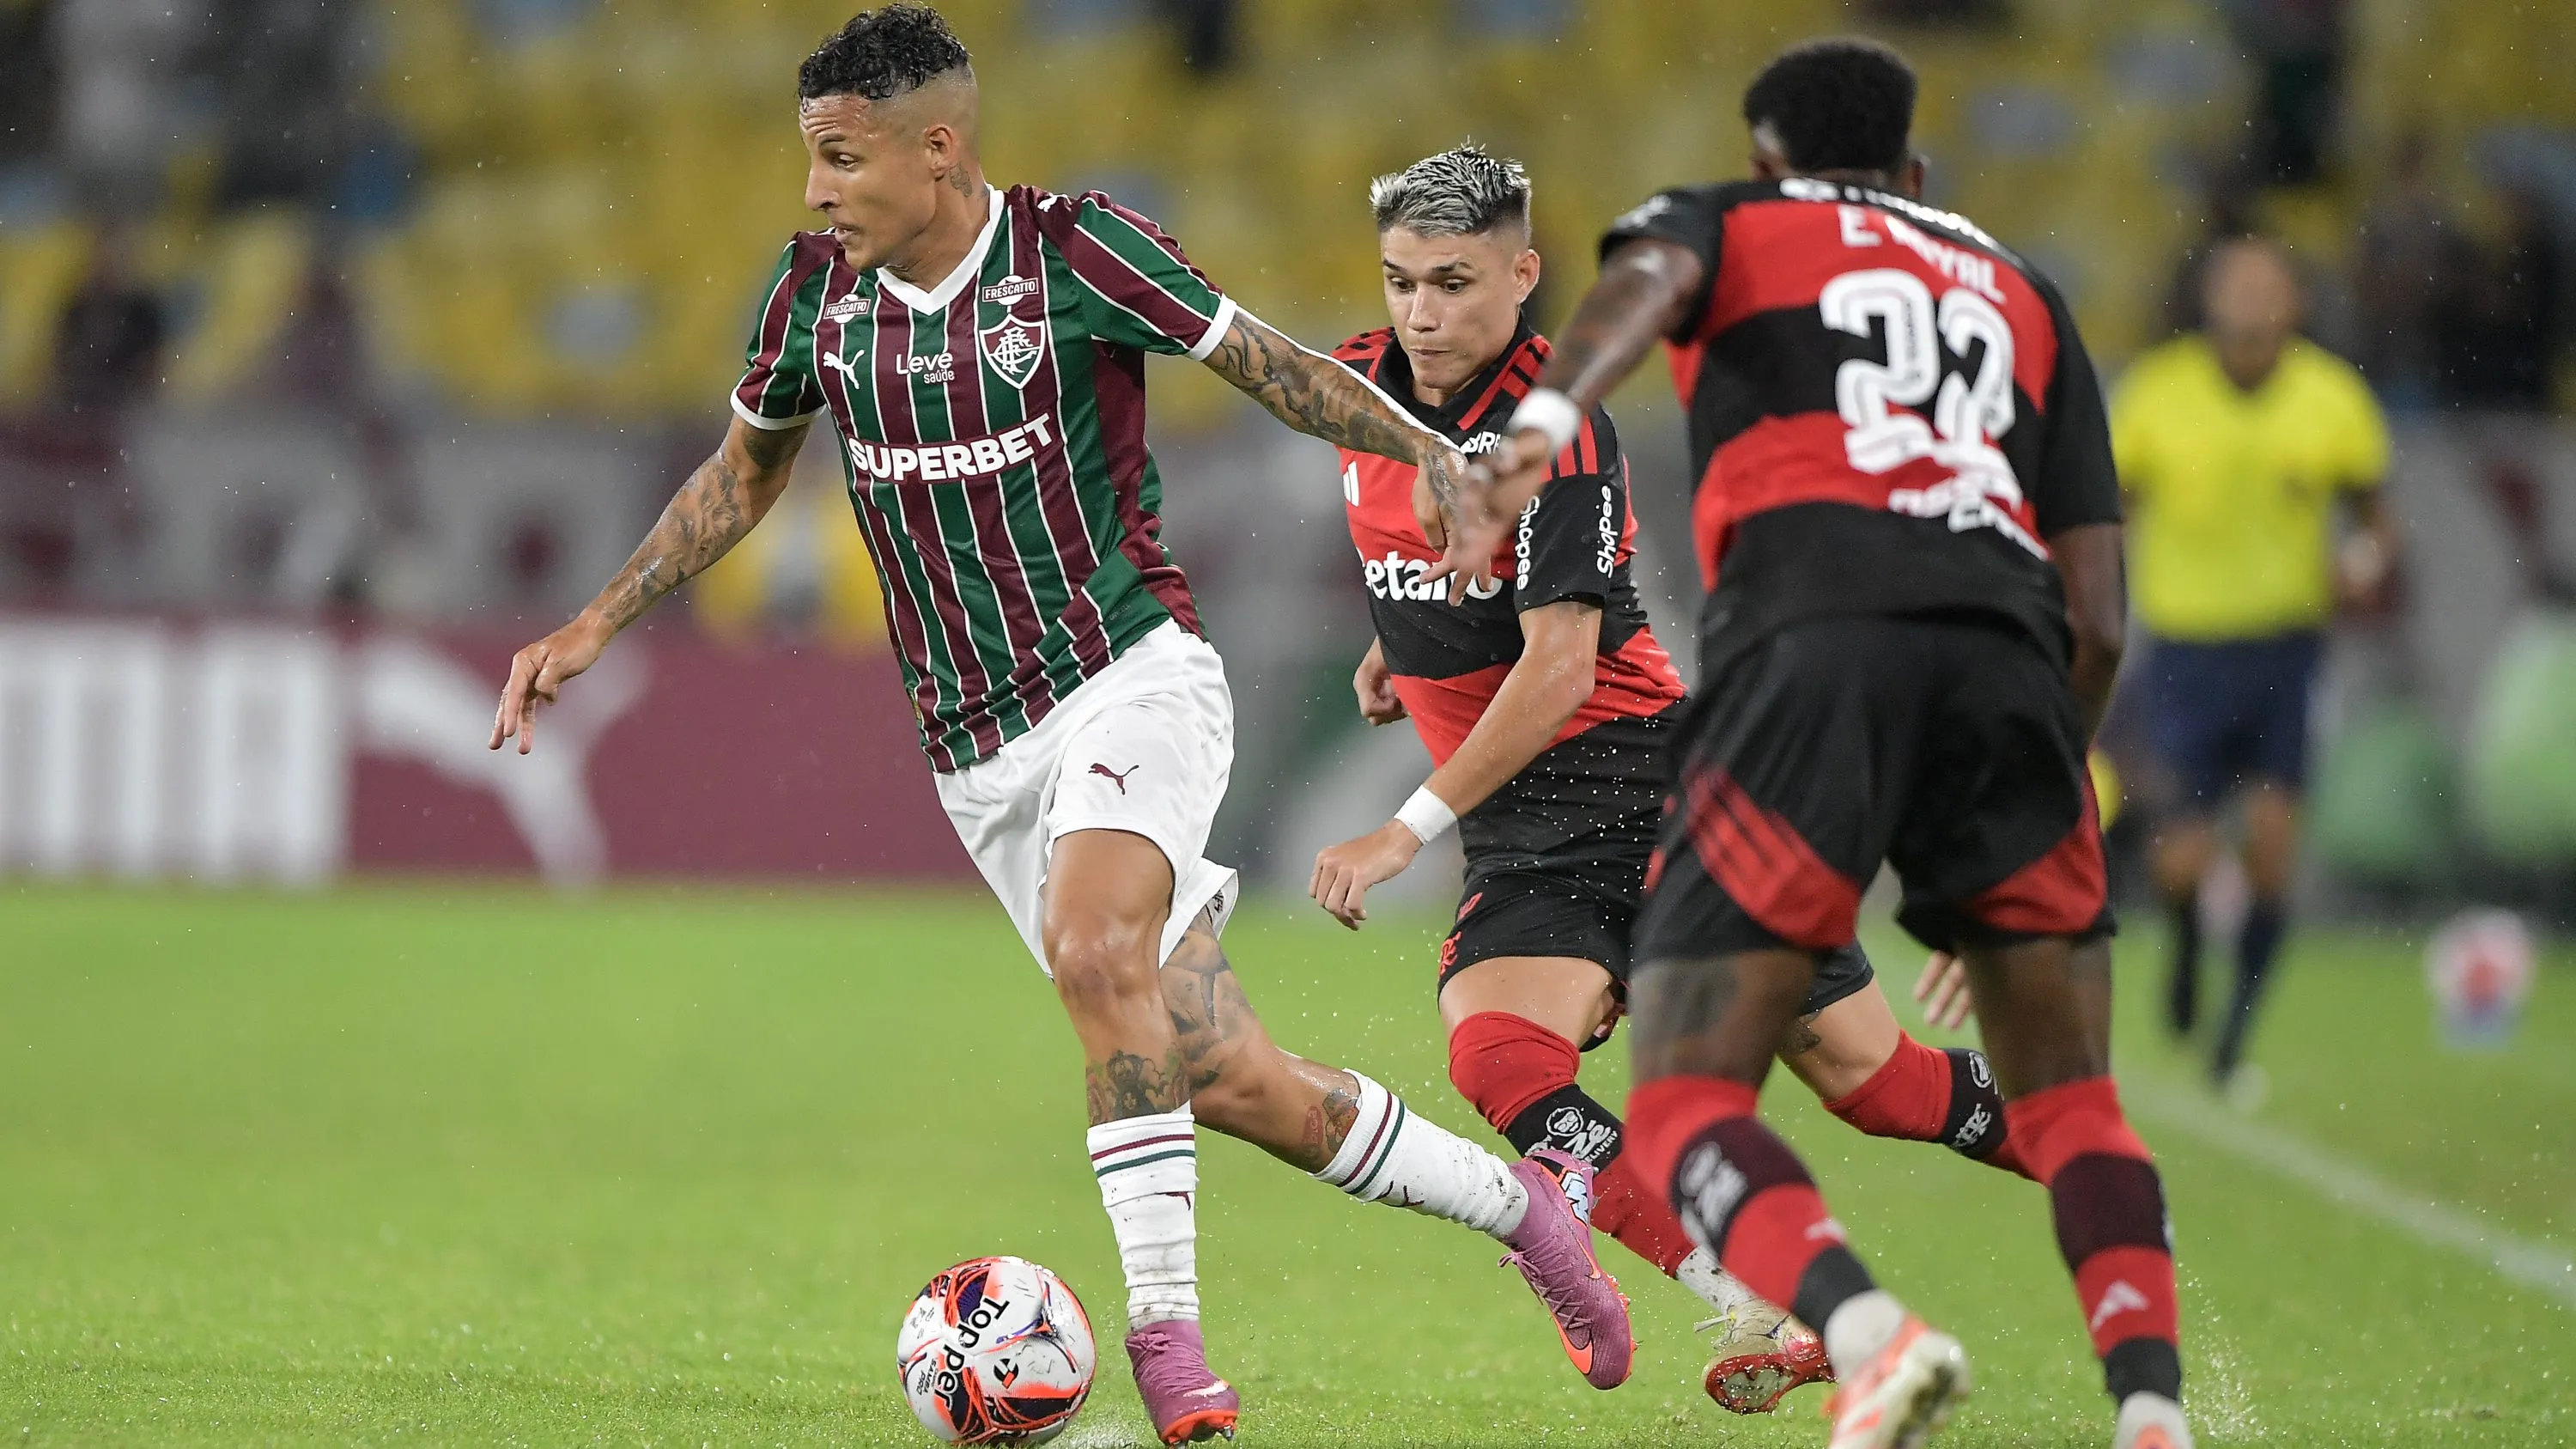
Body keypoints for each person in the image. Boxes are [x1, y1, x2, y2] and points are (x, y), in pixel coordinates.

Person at [484, 8, 1627, 1443]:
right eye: (811, 162)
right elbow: (744, 473)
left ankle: (1166, 1343)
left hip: (1129, 670)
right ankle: (1522, 1211)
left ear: (937, 148)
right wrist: (594, 622)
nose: (816, 191)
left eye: (840, 160)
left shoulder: (1073, 251)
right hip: (978, 752)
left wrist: (1435, 458)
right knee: (1231, 1079)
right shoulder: (809, 299)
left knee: (1099, 952)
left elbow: (1271, 364)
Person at [1440, 38, 2190, 1449]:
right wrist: (2029, 817)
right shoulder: (2023, 292)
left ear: (1765, 158)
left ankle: (1865, 1328)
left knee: (1683, 1091)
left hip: (1810, 648)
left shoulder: (1730, 220)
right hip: (2008, 670)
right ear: (1912, 172)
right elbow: (2097, 613)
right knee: (2073, 1099)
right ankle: (2153, 1415)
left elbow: (1645, 285)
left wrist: (1543, 418)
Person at [1306, 143, 2039, 1416]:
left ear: (1525, 276)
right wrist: (1400, 640)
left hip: (1641, 779)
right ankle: (1769, 1297)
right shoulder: (1360, 388)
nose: (1423, 314)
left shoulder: (1560, 426)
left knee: (1881, 1086)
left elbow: (1559, 670)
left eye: (1456, 283)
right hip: (1534, 820)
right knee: (1502, 1054)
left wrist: (1399, 830)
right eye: (1403, 280)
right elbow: (1427, 555)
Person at [2113, 236, 2398, 1093]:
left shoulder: (2333, 400)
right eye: (2234, 283)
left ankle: (2234, 1033)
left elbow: (2376, 520)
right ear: (2208, 297)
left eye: (2265, 285)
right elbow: (2108, 511)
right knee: (2179, 859)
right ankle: (2189, 942)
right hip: (2187, 654)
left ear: (2294, 303)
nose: (2248, 299)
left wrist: (2366, 562)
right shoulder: (2158, 394)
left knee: (2274, 848)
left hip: (2286, 650)